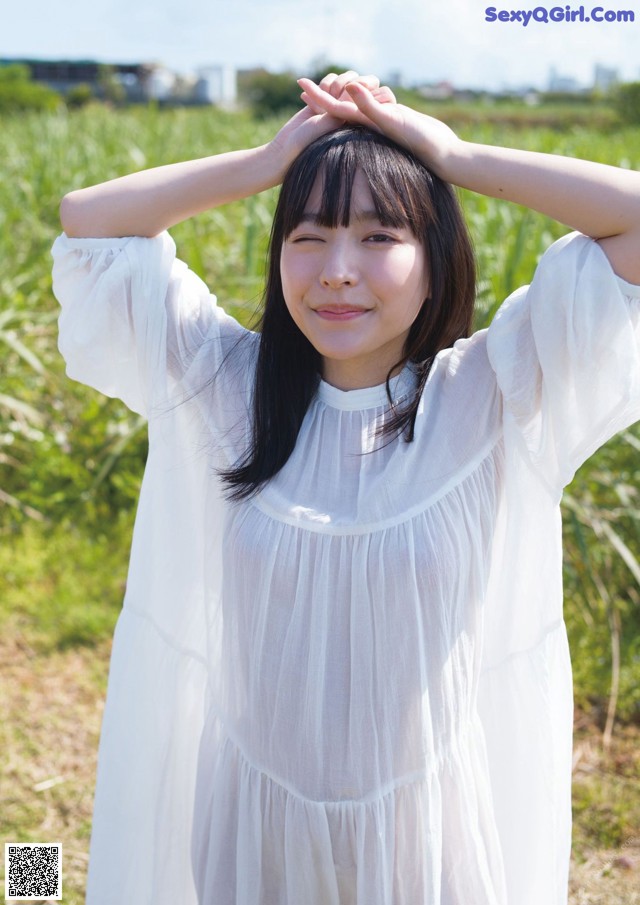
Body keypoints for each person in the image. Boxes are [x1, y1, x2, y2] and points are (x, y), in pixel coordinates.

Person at [51, 71, 640, 905]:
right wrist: (272, 158)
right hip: (255, 831)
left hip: (422, 838)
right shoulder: (222, 383)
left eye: (377, 237)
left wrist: (450, 152)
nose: (335, 271)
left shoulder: (490, 394)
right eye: (308, 235)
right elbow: (89, 220)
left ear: (435, 261)